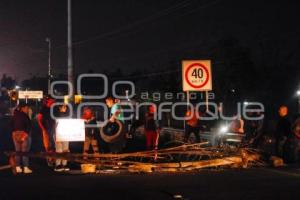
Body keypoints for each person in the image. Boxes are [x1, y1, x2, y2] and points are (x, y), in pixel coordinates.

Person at [11, 103, 33, 174]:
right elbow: (29, 126)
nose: (27, 109)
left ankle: (18, 167)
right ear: (22, 108)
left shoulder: (15, 115)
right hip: (24, 134)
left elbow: (11, 125)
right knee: (24, 152)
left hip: (16, 134)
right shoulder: (25, 116)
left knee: (18, 151)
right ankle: (25, 168)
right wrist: (25, 135)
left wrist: (13, 133)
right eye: (27, 108)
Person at [54, 104, 70, 172]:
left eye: (65, 107)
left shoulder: (67, 115)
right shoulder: (57, 115)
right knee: (59, 149)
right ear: (60, 108)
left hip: (66, 134)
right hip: (59, 134)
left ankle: (64, 164)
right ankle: (58, 165)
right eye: (64, 107)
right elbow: (55, 124)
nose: (65, 108)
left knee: (65, 149)